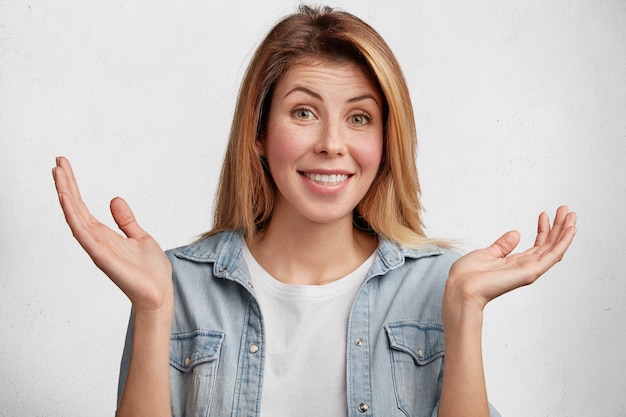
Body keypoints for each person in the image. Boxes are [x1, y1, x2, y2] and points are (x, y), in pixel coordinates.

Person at [52, 5, 577, 417]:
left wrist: (463, 311)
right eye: (303, 112)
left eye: (359, 118)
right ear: (258, 132)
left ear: (387, 141)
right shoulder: (176, 285)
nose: (332, 143)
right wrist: (151, 308)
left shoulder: (441, 285)